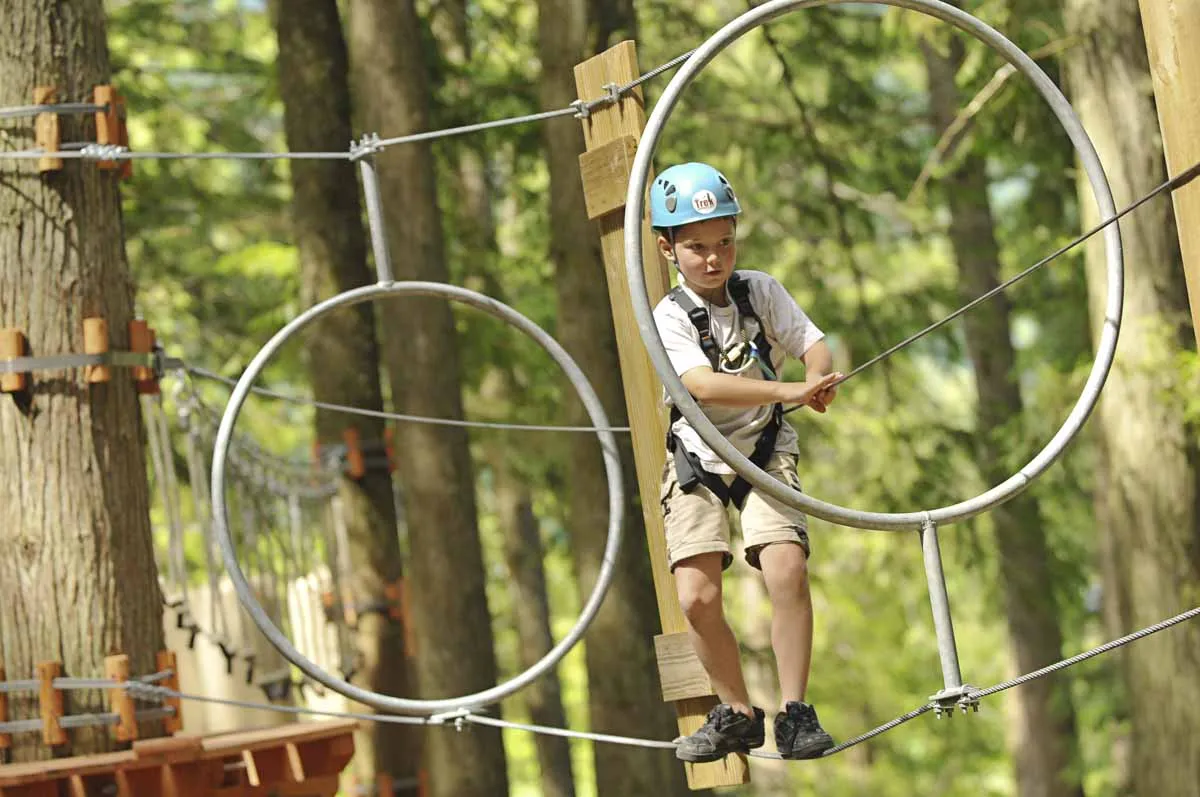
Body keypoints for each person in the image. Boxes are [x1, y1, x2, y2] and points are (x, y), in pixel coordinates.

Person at [650, 162, 841, 763]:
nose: (714, 259)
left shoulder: (759, 290)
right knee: (697, 597)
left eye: (725, 242)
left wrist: (816, 376)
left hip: (763, 447)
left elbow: (811, 342)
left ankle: (795, 712)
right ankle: (735, 711)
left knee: (786, 569)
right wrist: (788, 392)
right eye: (698, 248)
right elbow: (702, 386)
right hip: (699, 455)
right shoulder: (669, 316)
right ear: (668, 248)